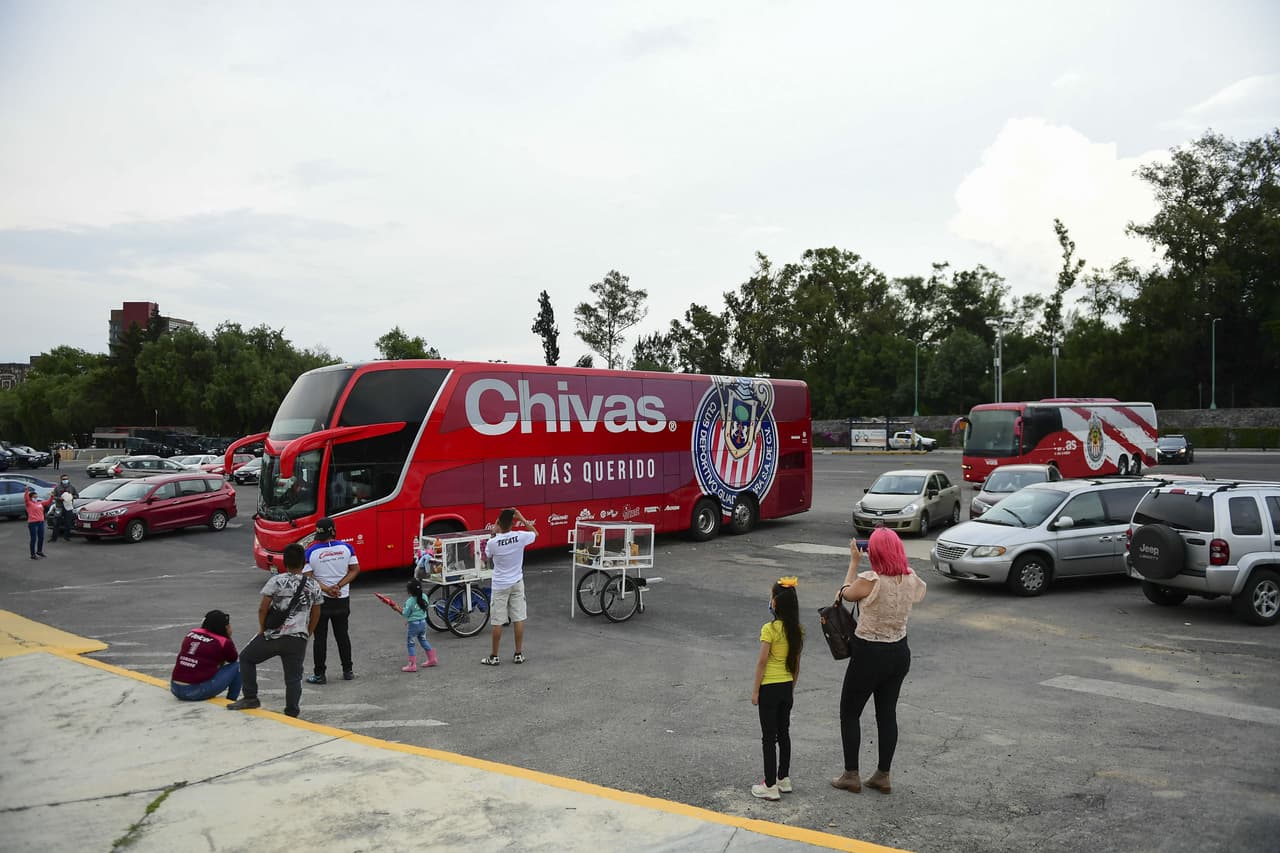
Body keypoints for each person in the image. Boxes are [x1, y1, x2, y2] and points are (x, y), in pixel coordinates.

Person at [830, 527, 927, 795]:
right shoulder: (911, 579)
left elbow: (844, 595)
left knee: (850, 712)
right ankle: (883, 774)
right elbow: (919, 595)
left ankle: (851, 774)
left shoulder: (871, 580)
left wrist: (853, 561)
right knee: (887, 714)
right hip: (898, 650)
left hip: (869, 652)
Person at [228, 543, 322, 717]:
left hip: (273, 636)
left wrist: (262, 629)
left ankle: (250, 697)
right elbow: (316, 613)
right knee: (293, 677)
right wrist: (308, 632)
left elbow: (263, 608)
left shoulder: (277, 581)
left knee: (246, 658)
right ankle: (292, 711)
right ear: (304, 563)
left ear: (285, 562)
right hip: (297, 638)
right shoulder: (313, 585)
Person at [750, 575, 804, 801]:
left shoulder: (769, 629)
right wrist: (791, 687)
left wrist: (755, 691)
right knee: (784, 734)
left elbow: (762, 662)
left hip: (769, 688)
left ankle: (769, 785)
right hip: (785, 687)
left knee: (768, 738)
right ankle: (784, 778)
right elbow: (796, 664)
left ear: (775, 603)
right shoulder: (797, 630)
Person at [305, 517, 361, 684]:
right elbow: (355, 570)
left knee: (320, 638)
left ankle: (319, 675)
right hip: (342, 599)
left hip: (321, 601)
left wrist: (327, 588)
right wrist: (338, 585)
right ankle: (348, 670)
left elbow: (308, 578)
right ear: (333, 531)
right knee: (342, 635)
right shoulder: (346, 548)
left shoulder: (310, 552)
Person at [481, 507, 536, 666]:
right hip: (517, 582)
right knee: (518, 618)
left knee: (497, 621)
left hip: (500, 585)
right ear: (513, 523)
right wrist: (523, 519)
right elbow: (535, 534)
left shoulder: (493, 543)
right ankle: (518, 654)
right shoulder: (520, 537)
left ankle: (494, 656)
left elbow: (487, 555)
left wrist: (494, 532)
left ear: (498, 523)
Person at [170, 610, 241, 702]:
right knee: (239, 666)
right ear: (225, 627)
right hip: (195, 691)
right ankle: (231, 700)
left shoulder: (192, 633)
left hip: (175, 688)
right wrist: (228, 637)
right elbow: (233, 659)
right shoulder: (223, 641)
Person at [400, 579, 438, 672]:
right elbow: (421, 610)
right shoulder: (424, 596)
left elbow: (405, 613)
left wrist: (398, 609)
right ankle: (432, 659)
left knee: (411, 644)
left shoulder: (410, 601)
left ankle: (412, 665)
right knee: (423, 639)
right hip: (423, 622)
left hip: (414, 625)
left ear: (409, 591)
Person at [49, 475, 78, 542]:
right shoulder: (57, 487)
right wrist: (60, 498)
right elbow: (54, 496)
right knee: (57, 522)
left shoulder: (72, 487)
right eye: (64, 479)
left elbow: (76, 495)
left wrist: (71, 497)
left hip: (68, 507)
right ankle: (54, 538)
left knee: (68, 523)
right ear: (61, 480)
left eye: (66, 479)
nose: (65, 480)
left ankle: (67, 537)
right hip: (59, 507)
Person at [24, 487, 50, 559]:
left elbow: (48, 502)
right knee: (33, 539)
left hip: (41, 522)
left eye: (36, 496)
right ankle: (32, 554)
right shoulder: (28, 503)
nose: (36, 497)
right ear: (31, 497)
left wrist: (52, 496)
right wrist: (26, 491)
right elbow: (26, 498)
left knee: (41, 537)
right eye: (34, 497)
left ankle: (39, 551)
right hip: (33, 523)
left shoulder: (39, 503)